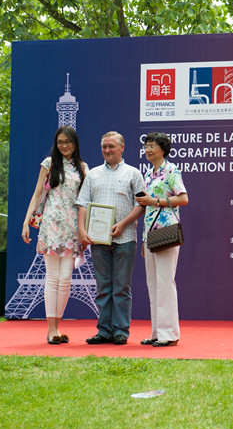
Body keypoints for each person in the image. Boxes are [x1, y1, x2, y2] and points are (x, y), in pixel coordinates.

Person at [21, 126, 87, 345]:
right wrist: (26, 221)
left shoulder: (83, 168)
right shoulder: (48, 164)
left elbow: (85, 202)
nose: (64, 146)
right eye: (60, 142)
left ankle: (58, 326)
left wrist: (84, 229)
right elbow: (38, 193)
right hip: (51, 226)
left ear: (75, 143)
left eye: (68, 141)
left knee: (65, 279)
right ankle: (51, 329)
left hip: (72, 227)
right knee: (52, 277)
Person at [77, 131, 145, 345]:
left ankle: (121, 331)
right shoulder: (93, 174)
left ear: (122, 148)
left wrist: (122, 224)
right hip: (98, 240)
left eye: (111, 147)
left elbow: (141, 204)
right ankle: (104, 330)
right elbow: (83, 204)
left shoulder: (133, 173)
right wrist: (81, 230)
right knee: (103, 287)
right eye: (104, 147)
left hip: (125, 237)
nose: (107, 150)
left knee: (121, 287)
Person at [135, 133, 188, 347]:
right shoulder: (149, 173)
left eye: (152, 146)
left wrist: (155, 201)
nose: (148, 150)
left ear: (163, 149)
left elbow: (183, 198)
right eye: (146, 146)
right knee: (153, 284)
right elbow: (146, 209)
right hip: (150, 235)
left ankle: (170, 334)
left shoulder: (171, 170)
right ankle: (157, 332)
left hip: (166, 232)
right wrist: (143, 240)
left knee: (165, 283)